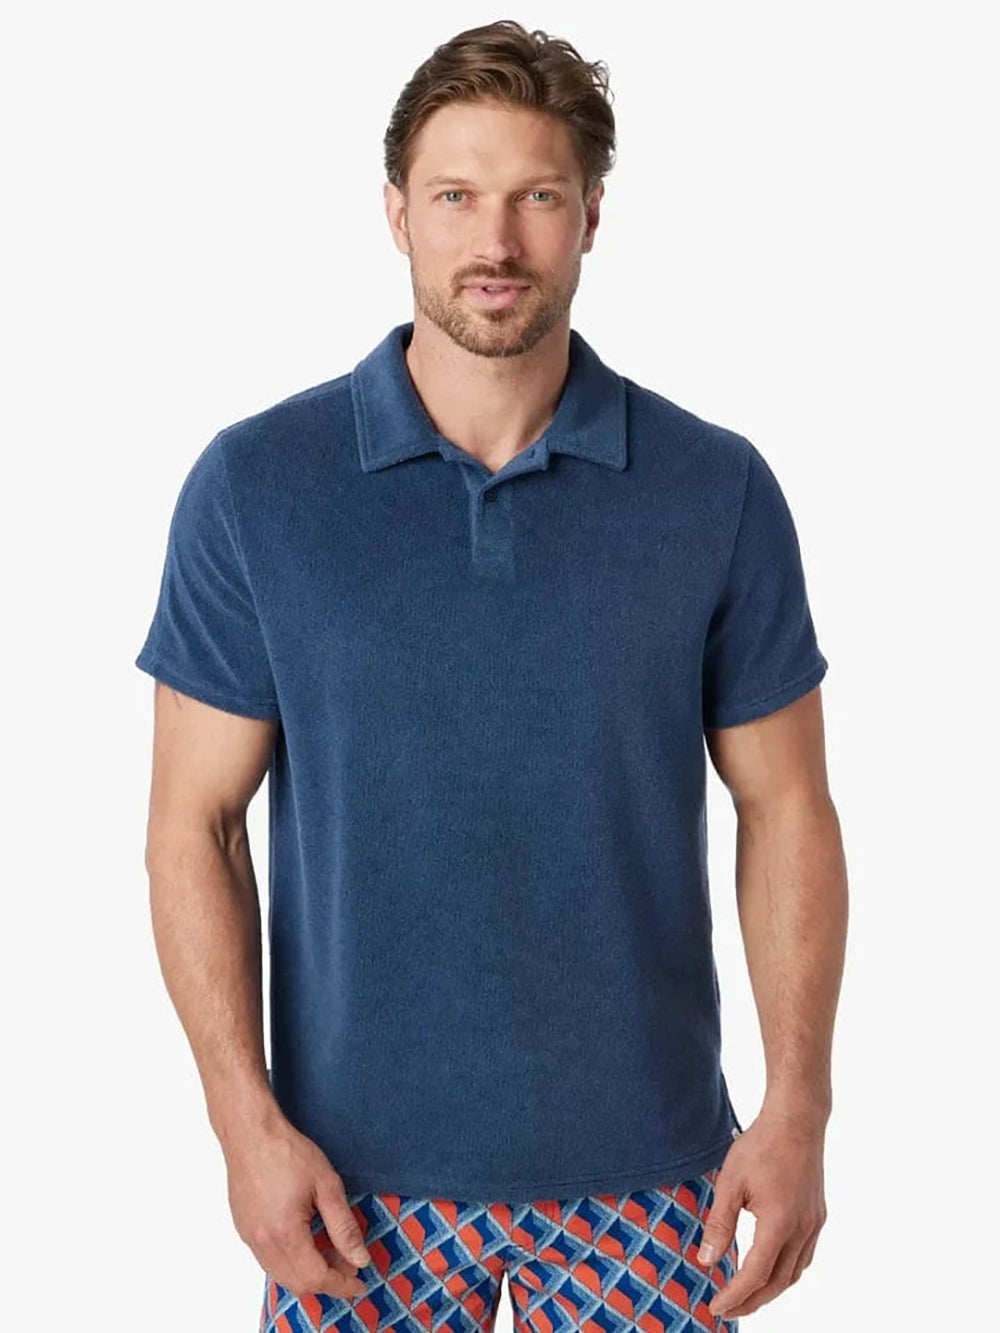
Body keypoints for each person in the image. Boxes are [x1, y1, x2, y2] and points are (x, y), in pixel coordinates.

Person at [135, 20, 847, 1332]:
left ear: (592, 218)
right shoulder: (257, 488)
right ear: (397, 212)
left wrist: (799, 1107)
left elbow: (788, 807)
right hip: (350, 1189)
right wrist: (244, 1126)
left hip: (656, 1178)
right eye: (458, 196)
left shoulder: (716, 488)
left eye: (538, 197)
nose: (497, 242)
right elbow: (195, 822)